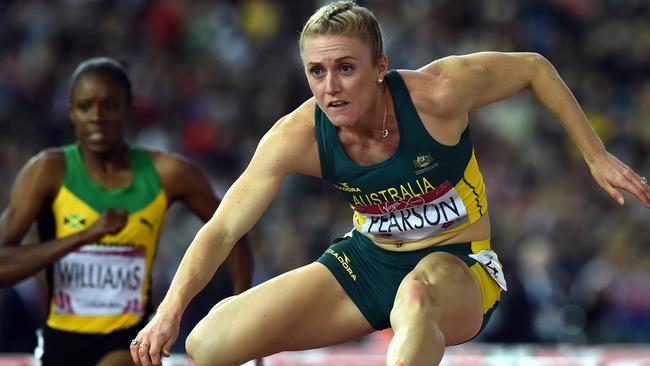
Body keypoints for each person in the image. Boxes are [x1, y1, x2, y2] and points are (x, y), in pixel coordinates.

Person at [131, 2, 650, 366]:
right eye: (316, 72)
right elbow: (221, 230)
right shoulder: (296, 136)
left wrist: (595, 154)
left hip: (459, 267)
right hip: (368, 262)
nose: (329, 88)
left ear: (381, 67)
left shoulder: (439, 94)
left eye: (345, 68)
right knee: (209, 344)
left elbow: (534, 68)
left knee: (417, 295)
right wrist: (168, 314)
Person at [0, 57, 255, 366]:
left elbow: (233, 231)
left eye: (108, 105)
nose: (97, 117)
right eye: (85, 106)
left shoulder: (167, 173)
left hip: (130, 340)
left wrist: (241, 313)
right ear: (71, 112)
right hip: (60, 342)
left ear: (128, 110)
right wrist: (83, 237)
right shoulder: (48, 171)